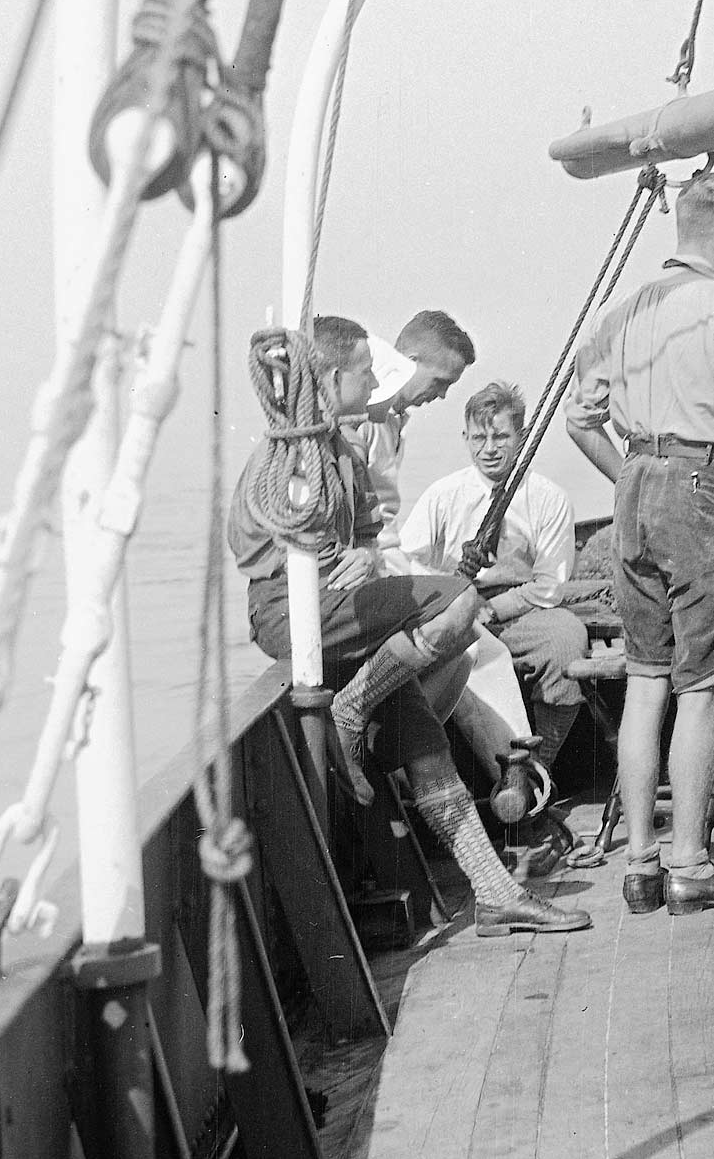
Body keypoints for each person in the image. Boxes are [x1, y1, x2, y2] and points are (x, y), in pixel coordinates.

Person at [229, 313, 587, 938]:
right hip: (291, 612)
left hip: (341, 609)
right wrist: (328, 558)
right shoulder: (289, 454)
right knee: (459, 602)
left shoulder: (341, 448)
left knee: (425, 742)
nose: (376, 380)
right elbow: (256, 543)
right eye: (367, 370)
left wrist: (363, 555)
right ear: (336, 374)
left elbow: (369, 536)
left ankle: (497, 894)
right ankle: (351, 710)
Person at [565, 170, 714, 918]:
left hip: (636, 492)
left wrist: (634, 474)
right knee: (705, 686)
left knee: (646, 677)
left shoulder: (623, 311)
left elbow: (579, 420)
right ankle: (691, 863)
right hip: (704, 490)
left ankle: (640, 863)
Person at [398, 382, 590, 774]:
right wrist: (454, 602)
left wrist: (492, 608)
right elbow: (408, 562)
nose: (489, 448)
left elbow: (549, 585)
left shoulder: (548, 498)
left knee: (568, 639)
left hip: (521, 610)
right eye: (479, 437)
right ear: (465, 437)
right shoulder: (442, 495)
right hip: (454, 605)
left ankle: (538, 772)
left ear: (520, 437)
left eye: (501, 436)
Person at [353, 309, 476, 559]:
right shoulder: (363, 421)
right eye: (440, 382)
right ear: (409, 361)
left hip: (383, 556)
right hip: (366, 561)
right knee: (464, 597)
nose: (441, 395)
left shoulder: (392, 421)